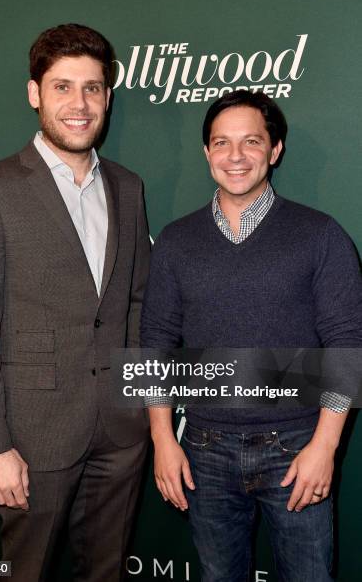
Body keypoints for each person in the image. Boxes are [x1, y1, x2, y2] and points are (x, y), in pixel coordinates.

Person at [0, 23, 150, 582]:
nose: (79, 104)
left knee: (105, 572)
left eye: (93, 87)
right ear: (35, 93)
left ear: (108, 96)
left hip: (120, 432)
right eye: (62, 87)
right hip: (32, 437)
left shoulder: (129, 188)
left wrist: (139, 410)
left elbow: (133, 305)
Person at [141, 90, 362, 581]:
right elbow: (155, 339)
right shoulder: (176, 240)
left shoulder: (320, 234)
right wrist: (162, 438)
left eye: (251, 142)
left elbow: (348, 344)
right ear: (206, 153)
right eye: (221, 142)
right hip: (202, 446)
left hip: (297, 445)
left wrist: (324, 447)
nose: (235, 156)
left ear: (275, 149)